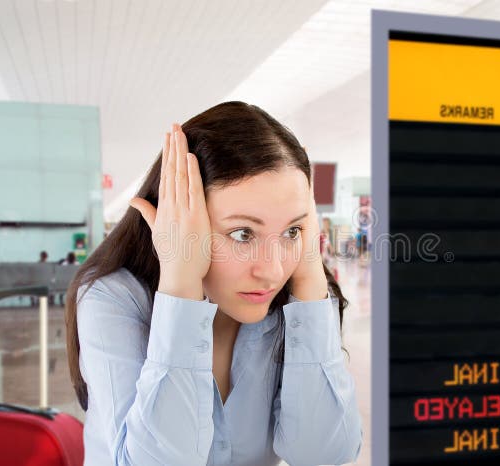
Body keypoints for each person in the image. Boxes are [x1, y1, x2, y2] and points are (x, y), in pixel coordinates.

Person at [64, 102, 362, 466]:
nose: (271, 271)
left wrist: (310, 273)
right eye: (242, 233)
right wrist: (180, 283)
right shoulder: (112, 299)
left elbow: (322, 454)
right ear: (179, 222)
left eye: (292, 230)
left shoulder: (294, 301)